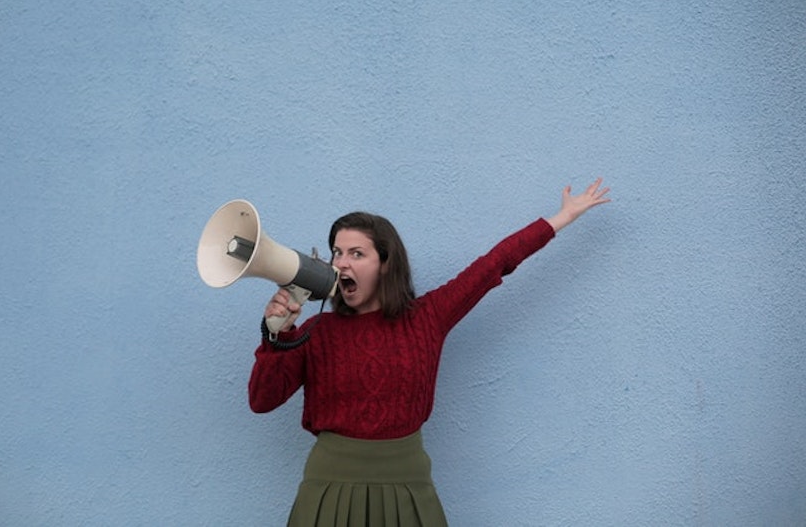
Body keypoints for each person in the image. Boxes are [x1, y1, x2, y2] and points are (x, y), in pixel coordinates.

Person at [248, 178, 611, 526]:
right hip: (328, 487)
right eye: (337, 253)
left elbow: (495, 263)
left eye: (356, 253)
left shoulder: (427, 318)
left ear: (385, 262)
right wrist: (276, 336)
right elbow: (262, 401)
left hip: (407, 485)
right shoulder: (314, 332)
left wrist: (562, 217)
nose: (341, 262)